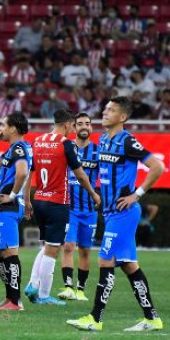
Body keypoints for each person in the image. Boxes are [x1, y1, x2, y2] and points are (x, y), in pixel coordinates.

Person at [67, 97, 165, 332]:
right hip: (111, 213)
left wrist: (136, 194)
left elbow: (157, 166)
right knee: (129, 265)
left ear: (123, 117)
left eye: (110, 110)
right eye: (105, 108)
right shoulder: (101, 140)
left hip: (124, 212)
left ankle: (95, 318)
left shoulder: (128, 141)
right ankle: (152, 318)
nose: (104, 112)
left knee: (105, 259)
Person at [24, 110, 100, 307]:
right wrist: (93, 193)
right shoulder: (66, 144)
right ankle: (43, 295)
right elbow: (81, 175)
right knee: (53, 249)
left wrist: (26, 200)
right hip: (58, 203)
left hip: (39, 200)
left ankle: (33, 284)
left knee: (46, 245)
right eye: (73, 125)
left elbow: (28, 173)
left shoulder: (38, 141)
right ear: (67, 125)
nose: (74, 129)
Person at [0, 112, 31, 311]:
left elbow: (22, 173)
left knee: (10, 251)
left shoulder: (19, 148)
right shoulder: (12, 149)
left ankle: (15, 301)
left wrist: (13, 195)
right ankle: (10, 296)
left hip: (9, 206)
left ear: (13, 128)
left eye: (4, 125)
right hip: (4, 207)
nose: (1, 128)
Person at [58, 113, 99, 302]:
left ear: (91, 128)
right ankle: (68, 286)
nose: (84, 126)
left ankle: (81, 290)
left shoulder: (98, 152)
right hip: (70, 208)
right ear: (74, 127)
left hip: (90, 210)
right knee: (68, 246)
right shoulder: (66, 149)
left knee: (85, 250)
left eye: (88, 124)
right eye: (80, 123)